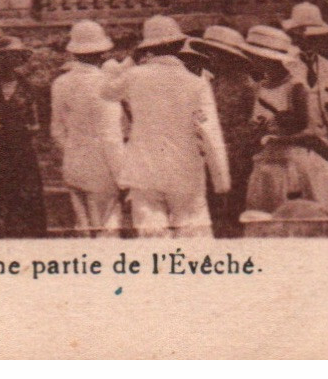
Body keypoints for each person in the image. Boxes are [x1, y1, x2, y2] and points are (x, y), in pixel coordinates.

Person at [103, 15, 230, 237]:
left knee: (152, 238)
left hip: (144, 170)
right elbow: (210, 133)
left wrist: (130, 61)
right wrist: (221, 181)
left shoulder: (133, 76)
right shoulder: (196, 83)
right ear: (181, 46)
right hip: (186, 170)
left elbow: (105, 91)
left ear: (147, 48)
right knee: (193, 235)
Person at [242, 25, 328, 213]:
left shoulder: (295, 88)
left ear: (269, 59)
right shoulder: (258, 88)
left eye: (256, 57)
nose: (252, 61)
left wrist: (277, 139)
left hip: (291, 167)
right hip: (265, 166)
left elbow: (309, 132)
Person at [48, 20, 125, 237]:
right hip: (103, 169)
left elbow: (57, 130)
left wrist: (73, 150)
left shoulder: (60, 83)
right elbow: (111, 136)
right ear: (101, 53)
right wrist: (122, 174)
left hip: (74, 166)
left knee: (83, 230)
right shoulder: (106, 84)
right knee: (107, 231)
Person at [0, 38, 48, 238]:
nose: (10, 61)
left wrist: (27, 129)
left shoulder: (27, 87)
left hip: (21, 152)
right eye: (6, 56)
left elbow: (35, 122)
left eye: (15, 56)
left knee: (25, 201)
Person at [191, 25, 260, 237]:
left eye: (217, 54)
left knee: (233, 204)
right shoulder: (213, 82)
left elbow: (252, 119)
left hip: (237, 150)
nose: (212, 58)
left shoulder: (246, 84)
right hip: (215, 149)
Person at [282, 1, 328, 145]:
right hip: (296, 143)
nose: (311, 42)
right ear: (294, 36)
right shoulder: (285, 64)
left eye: (316, 37)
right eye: (307, 37)